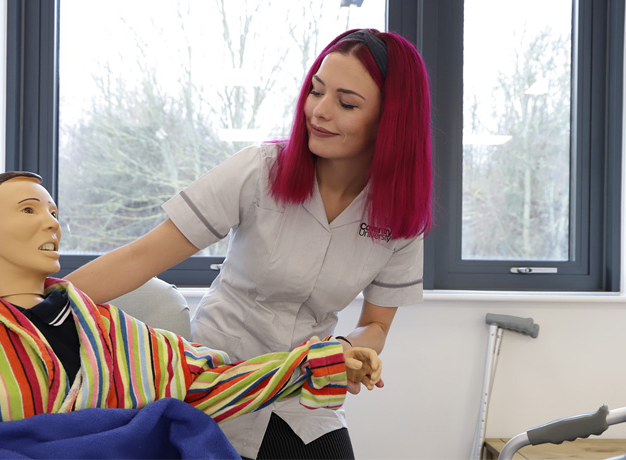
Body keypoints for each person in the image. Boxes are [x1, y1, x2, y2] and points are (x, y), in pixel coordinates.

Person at [66, 28, 431, 459]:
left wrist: (350, 349)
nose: (319, 111)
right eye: (316, 91)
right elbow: (144, 256)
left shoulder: (400, 215)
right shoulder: (261, 170)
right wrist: (31, 305)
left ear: (391, 119)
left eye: (346, 103)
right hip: (218, 379)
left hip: (304, 390)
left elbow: (378, 324)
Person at [0, 172, 381, 459]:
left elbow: (218, 381)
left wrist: (325, 361)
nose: (52, 222)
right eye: (30, 209)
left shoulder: (118, 334)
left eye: (53, 212)